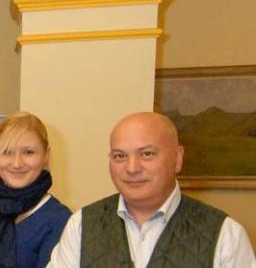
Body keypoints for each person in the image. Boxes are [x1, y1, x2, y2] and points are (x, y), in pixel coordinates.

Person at [49, 112, 256, 268]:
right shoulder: (82, 225)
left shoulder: (225, 234)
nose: (132, 168)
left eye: (146, 154)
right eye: (120, 156)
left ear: (177, 158)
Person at [0, 112, 71, 268]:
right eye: (7, 152)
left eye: (28, 152)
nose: (17, 163)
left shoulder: (59, 220)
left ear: (46, 155)